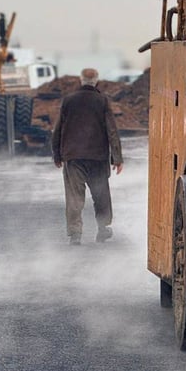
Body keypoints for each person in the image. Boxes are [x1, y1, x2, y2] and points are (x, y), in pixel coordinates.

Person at [51, 68, 123, 245]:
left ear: (80, 80)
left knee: (75, 196)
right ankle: (103, 229)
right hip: (97, 157)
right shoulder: (102, 101)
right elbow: (112, 131)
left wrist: (57, 155)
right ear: (96, 81)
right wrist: (117, 158)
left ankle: (75, 234)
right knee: (101, 195)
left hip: (73, 156)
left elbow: (57, 130)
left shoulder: (68, 101)